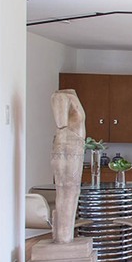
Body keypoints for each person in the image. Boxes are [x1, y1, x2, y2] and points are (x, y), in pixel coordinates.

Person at [50, 90, 86, 244]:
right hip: (67, 149)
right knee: (66, 191)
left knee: (73, 192)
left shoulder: (72, 96)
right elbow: (61, 123)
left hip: (75, 147)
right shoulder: (61, 96)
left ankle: (66, 236)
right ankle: (63, 237)